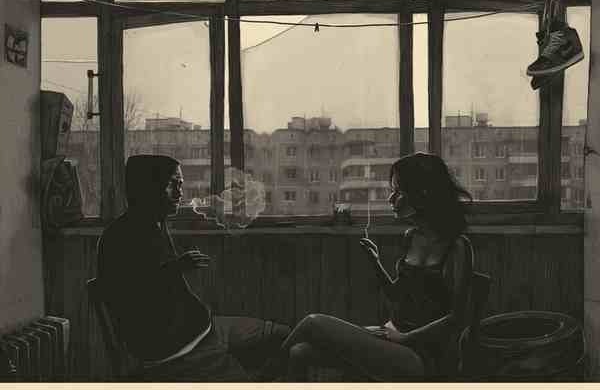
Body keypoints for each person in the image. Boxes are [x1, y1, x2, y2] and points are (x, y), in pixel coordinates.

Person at [277, 152, 474, 382]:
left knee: (313, 322)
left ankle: (265, 376)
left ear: (423, 193)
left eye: (398, 192)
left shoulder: (457, 246)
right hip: (394, 336)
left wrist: (405, 338)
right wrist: (376, 262)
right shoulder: (411, 237)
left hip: (423, 354)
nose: (391, 198)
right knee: (299, 352)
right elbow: (396, 294)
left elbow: (456, 318)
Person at [97, 155, 290, 382]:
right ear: (149, 187)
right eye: (173, 184)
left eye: (180, 185)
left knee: (283, 336)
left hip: (203, 331)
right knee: (279, 350)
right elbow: (133, 294)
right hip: (177, 351)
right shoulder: (122, 236)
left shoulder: (155, 223)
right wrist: (177, 267)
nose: (180, 192)